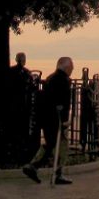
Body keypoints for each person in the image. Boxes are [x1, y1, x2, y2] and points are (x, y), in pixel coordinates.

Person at [23, 56, 74, 185]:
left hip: (46, 118)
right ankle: (56, 173)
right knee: (61, 145)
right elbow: (63, 103)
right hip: (55, 119)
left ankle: (33, 166)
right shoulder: (62, 80)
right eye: (71, 66)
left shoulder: (51, 78)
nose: (72, 69)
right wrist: (64, 120)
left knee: (51, 144)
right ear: (66, 67)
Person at [9, 52, 35, 159]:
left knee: (14, 128)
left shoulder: (10, 72)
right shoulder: (27, 73)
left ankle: (15, 148)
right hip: (24, 106)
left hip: (13, 105)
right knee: (23, 129)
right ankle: (22, 150)